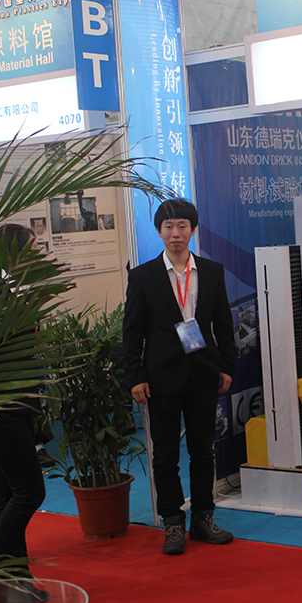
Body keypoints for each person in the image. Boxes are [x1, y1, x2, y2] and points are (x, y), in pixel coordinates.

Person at [122, 199, 237, 556]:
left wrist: (227, 366)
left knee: (203, 450)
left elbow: (224, 323)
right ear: (159, 231)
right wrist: (135, 376)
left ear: (193, 229)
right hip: (161, 377)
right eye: (169, 226)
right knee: (165, 454)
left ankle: (203, 517)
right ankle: (172, 522)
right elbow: (132, 332)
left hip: (203, 373)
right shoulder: (143, 276)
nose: (176, 233)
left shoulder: (212, 271)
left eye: (182, 226)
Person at [0, 224, 49, 603]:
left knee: (7, 494)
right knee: (29, 492)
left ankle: (15, 581)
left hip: (18, 404)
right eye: (31, 249)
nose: (36, 255)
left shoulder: (8, 287)